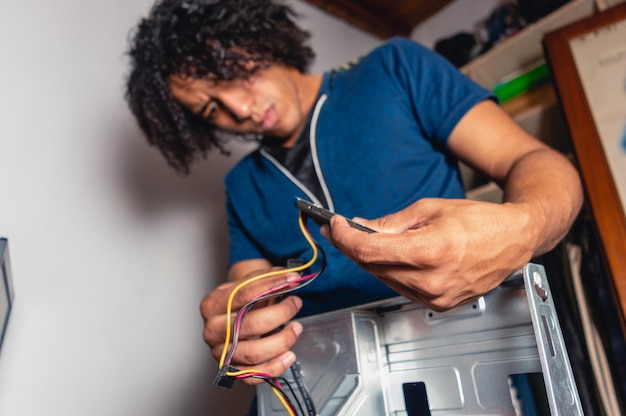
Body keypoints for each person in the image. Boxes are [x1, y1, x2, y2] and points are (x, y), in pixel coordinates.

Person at [124, 0, 583, 408]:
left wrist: (521, 229)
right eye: (211, 109)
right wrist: (238, 328)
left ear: (253, 35)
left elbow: (536, 161)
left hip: (460, 361)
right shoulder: (242, 186)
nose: (237, 110)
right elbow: (248, 293)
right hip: (337, 386)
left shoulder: (395, 66)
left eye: (226, 72)